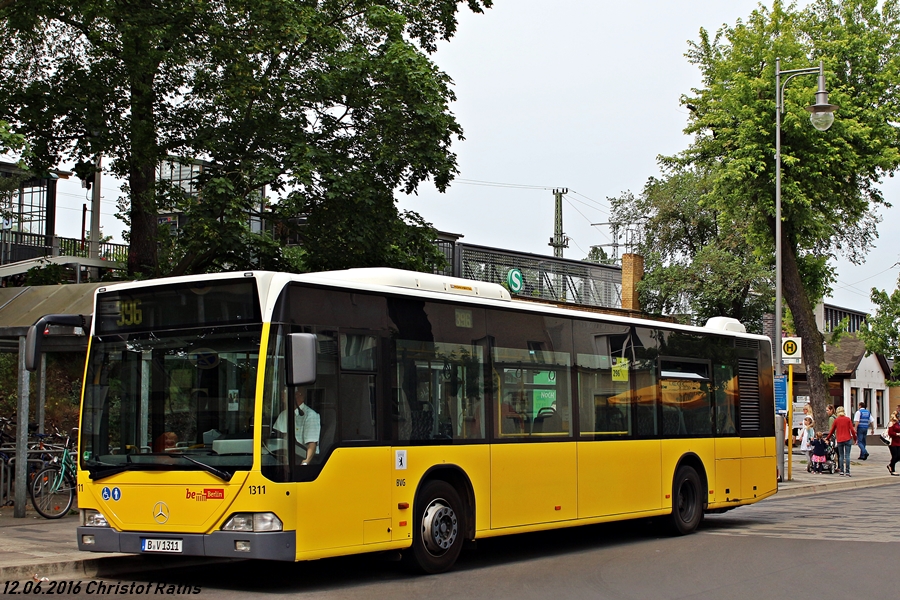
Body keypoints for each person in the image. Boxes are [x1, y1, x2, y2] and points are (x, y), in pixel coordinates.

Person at [273, 387, 320, 465]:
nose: (282, 394)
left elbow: (312, 444)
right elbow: (276, 438)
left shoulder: (310, 415)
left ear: (298, 395)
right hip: (283, 458)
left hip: (301, 458)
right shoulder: (283, 415)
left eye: (285, 391)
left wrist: (305, 463)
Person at [828, 406, 857, 476]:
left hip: (840, 439)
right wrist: (855, 439)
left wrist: (828, 437)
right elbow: (852, 430)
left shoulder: (836, 420)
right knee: (847, 456)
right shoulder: (848, 419)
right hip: (847, 439)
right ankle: (847, 471)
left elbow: (832, 430)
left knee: (841, 456)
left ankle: (841, 471)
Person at [887, 411, 900, 476]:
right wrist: (897, 434)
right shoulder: (891, 423)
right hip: (893, 442)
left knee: (899, 456)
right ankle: (893, 470)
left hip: (898, 441)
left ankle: (890, 465)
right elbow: (890, 433)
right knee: (894, 456)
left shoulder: (898, 423)